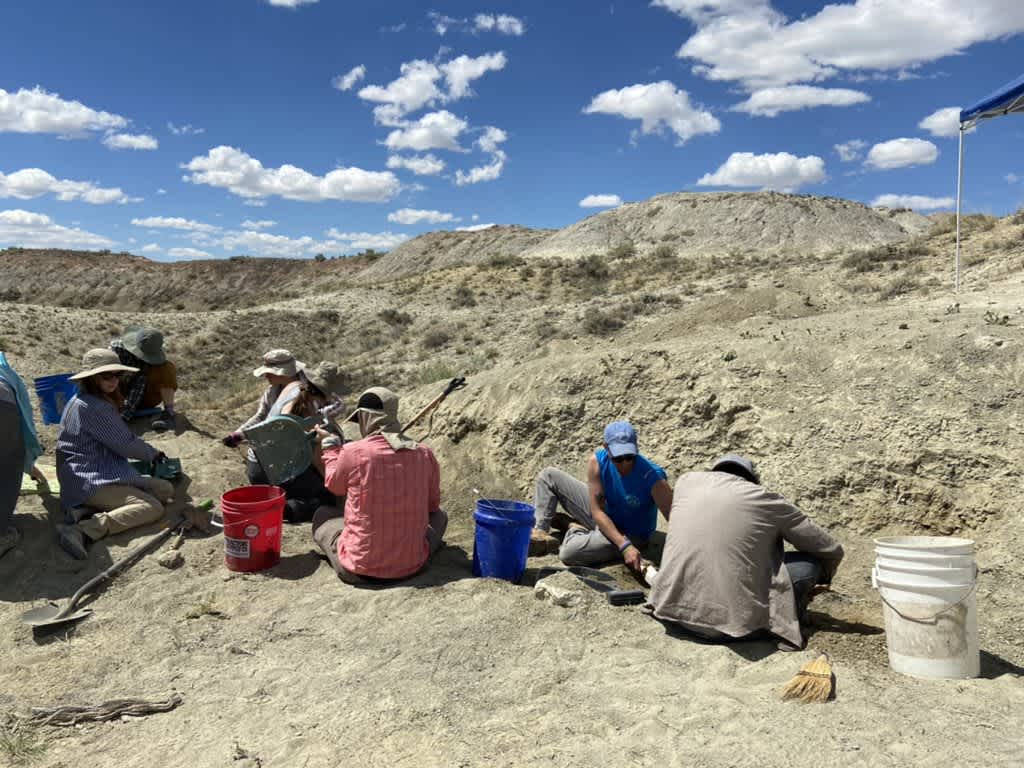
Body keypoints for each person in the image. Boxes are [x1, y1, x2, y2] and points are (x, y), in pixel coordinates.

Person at [647, 454, 845, 650]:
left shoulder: (686, 483)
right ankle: (792, 620)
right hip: (729, 629)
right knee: (807, 566)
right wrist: (825, 576)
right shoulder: (764, 498)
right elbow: (827, 547)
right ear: (751, 480)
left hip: (670, 613)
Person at [312, 386, 447, 584]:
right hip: (412, 566)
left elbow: (334, 486)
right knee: (440, 516)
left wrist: (330, 447)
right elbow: (432, 507)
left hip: (358, 569)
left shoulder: (352, 451)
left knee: (322, 515)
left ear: (366, 418)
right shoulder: (424, 453)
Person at [54, 349, 175, 560]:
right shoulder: (95, 407)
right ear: (92, 378)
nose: (114, 381)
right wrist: (154, 455)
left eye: (117, 375)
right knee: (152, 507)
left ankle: (82, 511)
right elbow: (125, 444)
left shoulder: (80, 400)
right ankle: (84, 530)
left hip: (89, 473)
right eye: (107, 376)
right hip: (89, 478)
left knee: (165, 489)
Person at [529, 420, 672, 573]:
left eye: (630, 457)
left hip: (631, 533)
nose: (625, 463)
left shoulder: (653, 478)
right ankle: (540, 533)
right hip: (603, 513)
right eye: (618, 458)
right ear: (606, 448)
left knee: (568, 553)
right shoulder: (597, 462)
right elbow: (596, 511)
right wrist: (622, 546)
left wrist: (625, 545)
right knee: (548, 476)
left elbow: (675, 520)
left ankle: (574, 527)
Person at [245, 360, 343, 523]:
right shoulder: (306, 410)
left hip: (259, 467)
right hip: (274, 473)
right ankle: (288, 509)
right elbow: (314, 460)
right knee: (328, 498)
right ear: (326, 394)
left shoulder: (295, 393)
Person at [0, 351, 47, 558]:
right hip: (3, 405)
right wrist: (25, 462)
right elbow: (22, 433)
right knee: (8, 466)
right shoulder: (6, 372)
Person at [221, 349, 304, 447]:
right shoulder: (272, 392)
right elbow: (261, 416)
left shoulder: (310, 391)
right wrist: (239, 434)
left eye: (270, 373)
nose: (266, 376)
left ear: (282, 372)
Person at [109, 326, 178, 431]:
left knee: (167, 368)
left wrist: (123, 418)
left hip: (142, 398)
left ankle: (168, 413)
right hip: (112, 395)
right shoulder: (116, 350)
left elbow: (139, 385)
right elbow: (103, 378)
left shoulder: (151, 366)